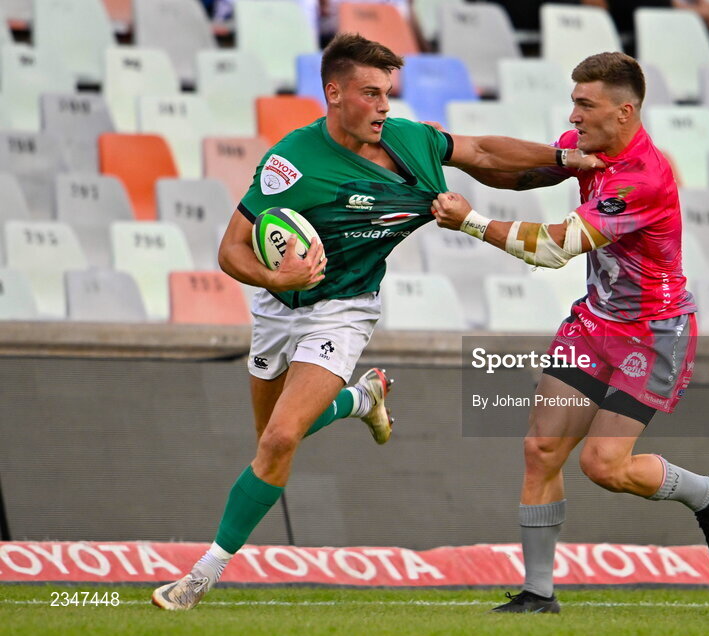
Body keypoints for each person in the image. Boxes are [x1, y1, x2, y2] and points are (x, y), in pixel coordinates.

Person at [151, 32, 601, 611]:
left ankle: (200, 576)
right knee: (270, 441)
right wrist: (275, 279)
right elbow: (231, 249)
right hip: (278, 307)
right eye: (371, 93)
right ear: (334, 93)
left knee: (282, 437)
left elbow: (485, 154)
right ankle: (362, 401)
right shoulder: (292, 163)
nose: (385, 106)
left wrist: (561, 159)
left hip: (346, 310)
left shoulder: (411, 142)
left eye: (388, 92)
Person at [432, 52, 709, 614]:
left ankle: (706, 492)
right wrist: (448, 150)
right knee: (541, 448)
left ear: (624, 112)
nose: (573, 116)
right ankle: (538, 594)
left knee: (604, 466)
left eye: (584, 104)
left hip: (654, 331)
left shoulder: (643, 177)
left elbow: (553, 248)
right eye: (573, 102)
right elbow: (522, 171)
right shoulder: (591, 148)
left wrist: (471, 222)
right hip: (595, 322)